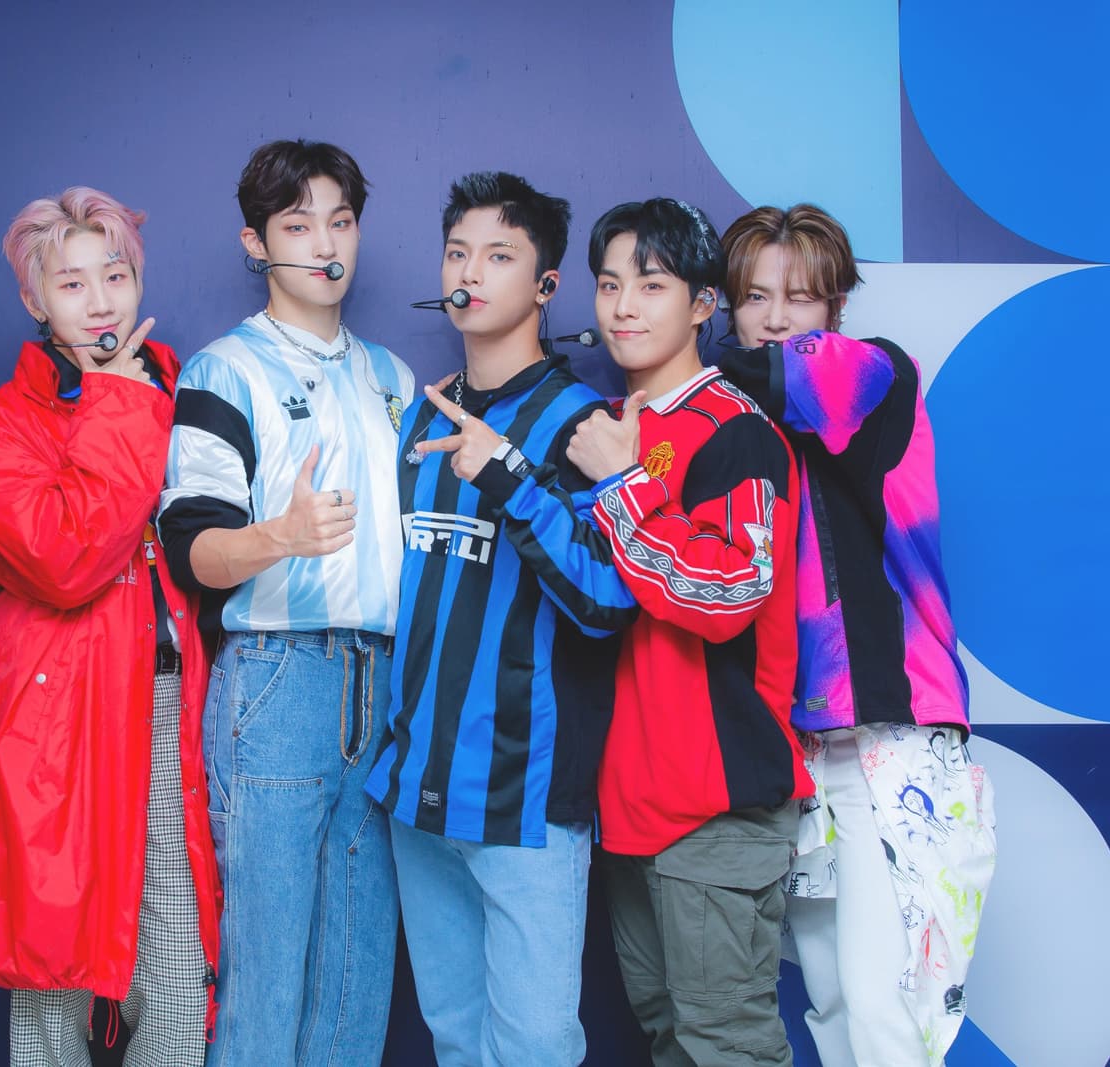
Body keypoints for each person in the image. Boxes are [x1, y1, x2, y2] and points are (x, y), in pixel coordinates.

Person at [366, 171, 637, 1066]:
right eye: (457, 253)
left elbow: (608, 600)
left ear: (546, 285)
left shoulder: (582, 424)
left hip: (524, 797)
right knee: (455, 1038)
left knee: (534, 1048)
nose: (470, 272)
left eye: (498, 255)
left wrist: (507, 476)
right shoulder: (420, 413)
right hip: (416, 786)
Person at [718, 203, 997, 1067]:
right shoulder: (741, 424)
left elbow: (777, 372)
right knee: (834, 1003)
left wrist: (668, 348)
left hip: (895, 736)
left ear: (835, 306)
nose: (775, 318)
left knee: (885, 1009)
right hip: (801, 749)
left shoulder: (873, 372)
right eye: (754, 297)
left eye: (799, 296)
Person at [158, 139, 413, 1067]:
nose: (324, 245)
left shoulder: (393, 378)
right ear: (256, 243)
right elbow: (191, 549)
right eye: (298, 226)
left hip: (383, 682)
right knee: (265, 984)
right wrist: (283, 535)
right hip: (277, 680)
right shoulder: (223, 370)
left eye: (340, 222)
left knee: (355, 986)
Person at [0, 187, 222, 1067]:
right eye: (71, 283)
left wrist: (135, 398)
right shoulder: (1, 425)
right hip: (54, 721)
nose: (100, 301)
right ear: (34, 300)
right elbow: (66, 558)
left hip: (167, 702)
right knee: (52, 964)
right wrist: (116, 399)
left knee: (179, 974)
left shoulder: (187, 394)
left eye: (115, 276)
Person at [566, 198, 812, 1066]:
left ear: (705, 304)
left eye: (651, 285)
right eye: (609, 285)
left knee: (726, 1044)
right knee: (673, 1042)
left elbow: (728, 592)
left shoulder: (735, 431)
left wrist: (622, 486)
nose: (623, 307)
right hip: (628, 803)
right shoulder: (608, 427)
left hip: (715, 803)